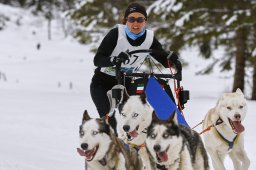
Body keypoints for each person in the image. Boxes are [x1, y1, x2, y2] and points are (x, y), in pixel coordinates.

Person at [90, 2, 177, 128]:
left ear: (145, 21)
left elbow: (163, 59)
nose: (136, 23)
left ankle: (135, 145)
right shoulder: (116, 34)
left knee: (132, 120)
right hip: (103, 83)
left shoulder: (149, 38)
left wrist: (171, 58)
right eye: (131, 19)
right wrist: (115, 60)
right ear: (126, 20)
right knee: (112, 122)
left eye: (140, 19)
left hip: (127, 84)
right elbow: (97, 60)